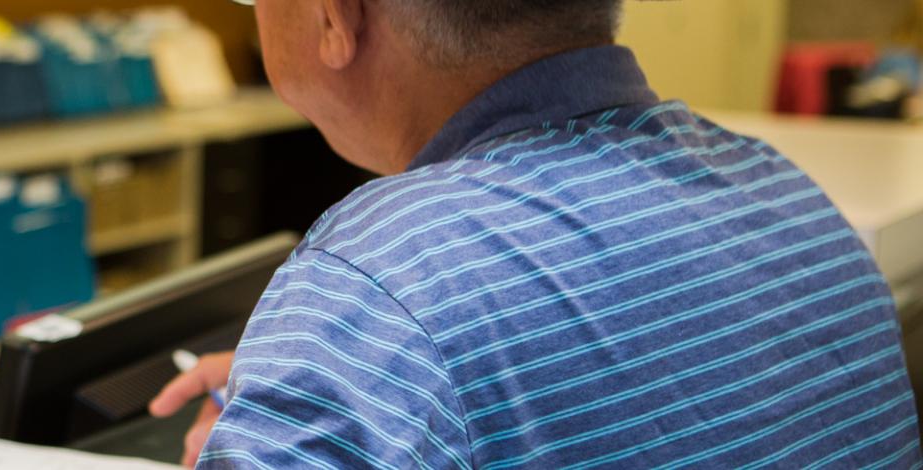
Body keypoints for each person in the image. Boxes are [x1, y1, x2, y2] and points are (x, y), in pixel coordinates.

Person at [150, 0, 922, 468]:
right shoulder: (791, 203)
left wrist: (351, 357)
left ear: (336, 15)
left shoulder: (383, 285)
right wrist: (334, 387)